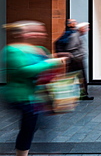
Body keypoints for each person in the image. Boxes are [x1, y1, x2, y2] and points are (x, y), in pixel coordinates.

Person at [0, 20, 67, 156]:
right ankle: (24, 151)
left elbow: (47, 70)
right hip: (21, 97)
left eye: (41, 31)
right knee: (29, 127)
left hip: (38, 96)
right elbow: (23, 71)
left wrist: (57, 64)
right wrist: (50, 63)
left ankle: (40, 147)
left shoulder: (40, 49)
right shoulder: (11, 50)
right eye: (33, 31)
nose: (38, 34)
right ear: (21, 34)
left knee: (40, 124)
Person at [65, 22, 94, 100]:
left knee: (78, 77)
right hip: (76, 60)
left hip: (77, 59)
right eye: (86, 28)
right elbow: (71, 48)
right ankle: (83, 94)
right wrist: (78, 55)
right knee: (80, 77)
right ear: (81, 29)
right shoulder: (75, 36)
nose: (87, 30)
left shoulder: (78, 36)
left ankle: (82, 94)